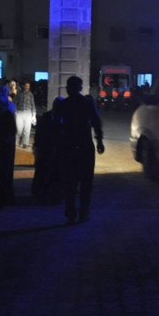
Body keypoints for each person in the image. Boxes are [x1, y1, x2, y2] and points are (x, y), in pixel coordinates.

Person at [54, 76, 105, 224]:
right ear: (80, 88)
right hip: (84, 146)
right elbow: (96, 122)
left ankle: (70, 213)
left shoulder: (63, 105)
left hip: (68, 146)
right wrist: (99, 141)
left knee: (69, 182)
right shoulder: (87, 103)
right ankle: (83, 212)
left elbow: (56, 126)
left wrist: (57, 145)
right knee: (86, 182)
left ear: (68, 88)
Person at [31, 96, 61, 205]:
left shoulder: (61, 117)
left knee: (51, 172)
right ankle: (39, 192)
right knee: (42, 170)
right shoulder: (47, 116)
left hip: (54, 149)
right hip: (46, 148)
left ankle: (50, 193)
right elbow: (40, 133)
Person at [14, 81, 37, 149]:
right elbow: (15, 102)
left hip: (28, 113)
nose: (27, 87)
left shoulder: (31, 94)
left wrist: (34, 115)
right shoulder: (18, 94)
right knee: (19, 129)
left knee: (27, 129)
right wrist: (15, 111)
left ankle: (25, 143)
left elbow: (33, 104)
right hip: (19, 112)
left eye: (28, 86)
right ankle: (16, 141)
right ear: (23, 86)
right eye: (26, 86)